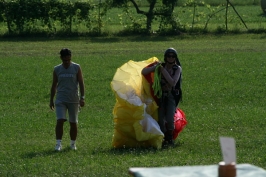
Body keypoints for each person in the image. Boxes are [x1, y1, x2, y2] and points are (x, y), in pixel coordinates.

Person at [141, 48, 182, 147]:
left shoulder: (177, 69)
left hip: (171, 96)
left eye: (173, 56)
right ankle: (163, 138)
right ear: (165, 57)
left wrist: (163, 71)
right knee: (160, 118)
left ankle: (170, 139)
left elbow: (172, 82)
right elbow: (143, 72)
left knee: (169, 117)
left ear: (175, 57)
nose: (170, 58)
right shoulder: (161, 66)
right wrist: (155, 67)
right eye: (169, 56)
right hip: (160, 96)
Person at [49, 48, 85, 151]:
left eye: (69, 60)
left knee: (73, 122)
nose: (67, 62)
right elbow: (54, 85)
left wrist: (82, 97)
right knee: (60, 120)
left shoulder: (76, 67)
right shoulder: (57, 69)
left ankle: (73, 144)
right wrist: (51, 100)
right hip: (61, 99)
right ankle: (58, 144)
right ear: (61, 58)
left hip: (73, 99)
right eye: (65, 60)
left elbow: (81, 83)